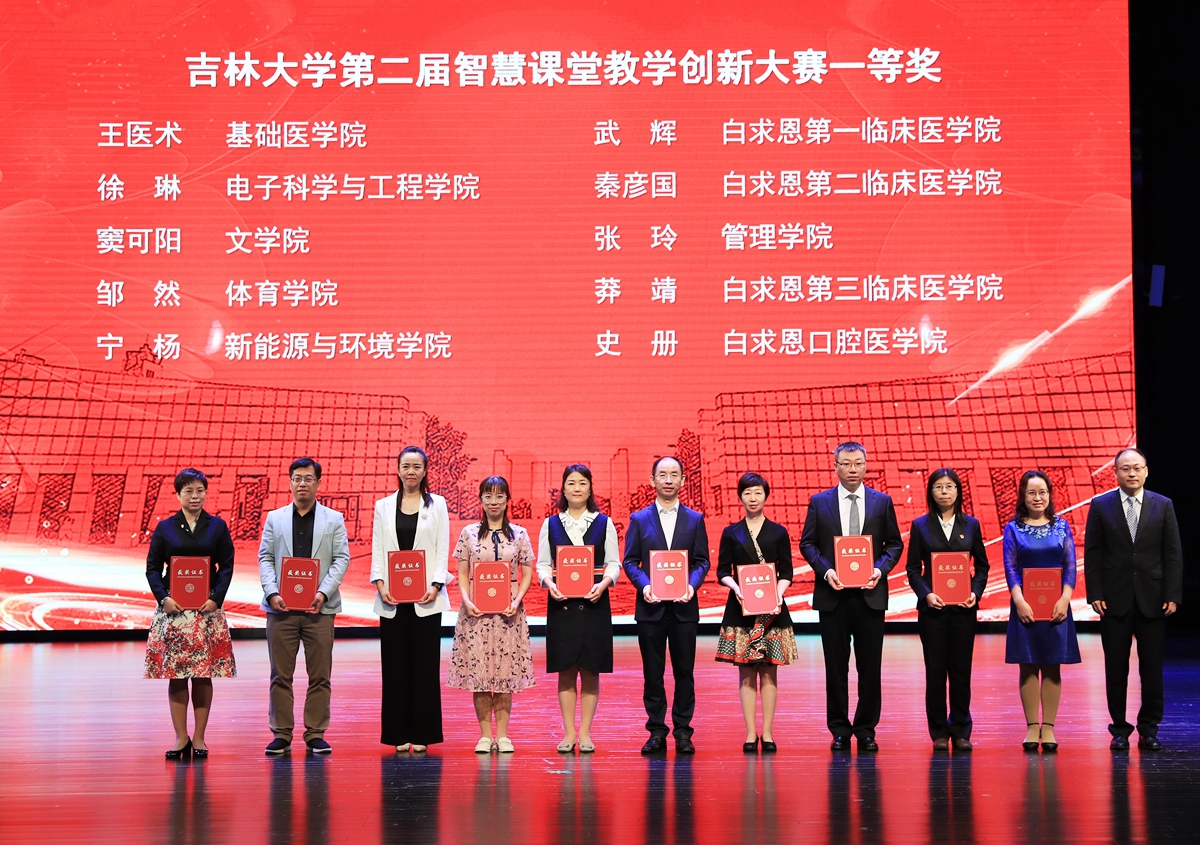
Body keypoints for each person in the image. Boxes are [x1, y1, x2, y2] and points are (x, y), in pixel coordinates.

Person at [799, 441, 903, 753]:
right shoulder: (820, 502)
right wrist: (826, 571)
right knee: (836, 667)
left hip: (870, 594)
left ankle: (866, 729)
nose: (852, 469)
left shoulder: (882, 502)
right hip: (833, 595)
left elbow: (894, 544)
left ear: (866, 465)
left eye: (858, 463)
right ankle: (840, 730)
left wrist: (880, 570)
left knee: (870, 667)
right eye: (846, 464)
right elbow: (808, 544)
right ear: (836, 467)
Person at [1085, 447, 1183, 751]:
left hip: (1153, 598)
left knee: (1152, 669)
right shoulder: (1100, 505)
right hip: (1113, 599)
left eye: (1137, 468)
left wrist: (1172, 594)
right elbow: (1093, 553)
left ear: (1146, 471)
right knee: (1116, 668)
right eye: (1125, 468)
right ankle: (1119, 729)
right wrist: (1095, 593)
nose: (1131, 473)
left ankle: (1149, 729)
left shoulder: (1163, 505)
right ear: (1115, 472)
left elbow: (1173, 553)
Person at [258, 457, 350, 756]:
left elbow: (341, 558)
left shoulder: (333, 519)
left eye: (308, 479)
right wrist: (272, 592)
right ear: (289, 482)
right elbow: (265, 558)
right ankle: (281, 733)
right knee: (280, 675)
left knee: (320, 675)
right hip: (281, 609)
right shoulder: (275, 518)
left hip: (319, 609)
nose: (302, 484)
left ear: (318, 483)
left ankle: (315, 733)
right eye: (297, 478)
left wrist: (323, 592)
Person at [144, 468, 237, 760]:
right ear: (178, 494)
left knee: (202, 674)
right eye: (188, 491)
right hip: (175, 610)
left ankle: (199, 737)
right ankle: (180, 737)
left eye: (200, 491)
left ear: (206, 493)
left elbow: (227, 566)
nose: (195, 496)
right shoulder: (165, 528)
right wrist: (164, 598)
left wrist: (216, 599)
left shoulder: (217, 526)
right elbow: (152, 569)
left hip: (207, 610)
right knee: (176, 675)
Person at [622, 456, 711, 755]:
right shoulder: (639, 519)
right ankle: (657, 731)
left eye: (674, 475)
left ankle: (683, 732)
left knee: (684, 672)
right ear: (653, 480)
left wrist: (691, 585)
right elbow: (630, 561)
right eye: (663, 474)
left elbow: (702, 561)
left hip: (685, 609)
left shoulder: (695, 519)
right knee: (653, 673)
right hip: (651, 609)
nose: (669, 480)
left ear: (683, 480)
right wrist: (645, 586)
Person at [370, 446, 451, 753]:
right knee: (394, 666)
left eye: (417, 466)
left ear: (425, 470)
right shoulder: (383, 506)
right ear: (398, 470)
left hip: (426, 596)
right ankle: (397, 733)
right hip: (391, 597)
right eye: (406, 466)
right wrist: (380, 584)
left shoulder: (437, 504)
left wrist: (436, 584)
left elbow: (442, 548)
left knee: (425, 666)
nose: (411, 471)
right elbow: (379, 548)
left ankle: (422, 733)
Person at [447, 476, 535, 753]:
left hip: (509, 614)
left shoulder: (519, 534)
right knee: (480, 675)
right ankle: (485, 736)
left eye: (499, 496)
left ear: (507, 500)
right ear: (481, 500)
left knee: (505, 675)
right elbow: (463, 573)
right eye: (488, 496)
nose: (493, 502)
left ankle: (504, 736)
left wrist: (517, 600)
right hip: (476, 614)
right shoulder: (469, 533)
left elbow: (527, 573)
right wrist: (466, 600)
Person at [905, 469, 990, 752]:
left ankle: (961, 730)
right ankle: (939, 732)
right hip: (933, 611)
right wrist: (926, 594)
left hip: (964, 611)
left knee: (961, 671)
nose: (944, 492)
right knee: (935, 671)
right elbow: (913, 568)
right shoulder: (920, 526)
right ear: (931, 492)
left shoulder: (972, 524)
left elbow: (982, 566)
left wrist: (975, 593)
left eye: (950, 486)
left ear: (958, 491)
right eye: (938, 487)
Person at [537, 464, 621, 754]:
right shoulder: (550, 524)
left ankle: (585, 733)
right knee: (565, 671)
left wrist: (604, 584)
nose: (577, 488)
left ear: (590, 488)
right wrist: (549, 583)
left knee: (590, 671)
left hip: (595, 604)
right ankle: (569, 733)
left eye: (582, 483)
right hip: (561, 605)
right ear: (563, 489)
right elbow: (543, 564)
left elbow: (613, 563)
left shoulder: (604, 523)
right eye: (571, 483)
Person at [715, 472, 796, 754]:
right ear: (740, 496)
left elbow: (786, 571)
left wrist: (778, 593)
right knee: (747, 672)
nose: (753, 498)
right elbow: (722, 571)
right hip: (741, 608)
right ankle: (751, 733)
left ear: (766, 496)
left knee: (770, 672)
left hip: (773, 609)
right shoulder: (731, 532)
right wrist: (736, 587)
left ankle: (768, 733)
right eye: (747, 493)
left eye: (758, 492)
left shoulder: (778, 532)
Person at [1003, 470, 1080, 753]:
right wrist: (1019, 600)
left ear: (1050, 495)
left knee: (1052, 664)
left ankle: (1048, 727)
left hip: (1056, 606)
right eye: (1031, 493)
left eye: (1043, 492)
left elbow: (1070, 565)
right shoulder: (1013, 528)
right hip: (1024, 606)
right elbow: (1010, 567)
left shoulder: (1062, 527)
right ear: (1023, 496)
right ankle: (1031, 726)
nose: (1038, 498)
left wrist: (1065, 599)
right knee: (1027, 665)